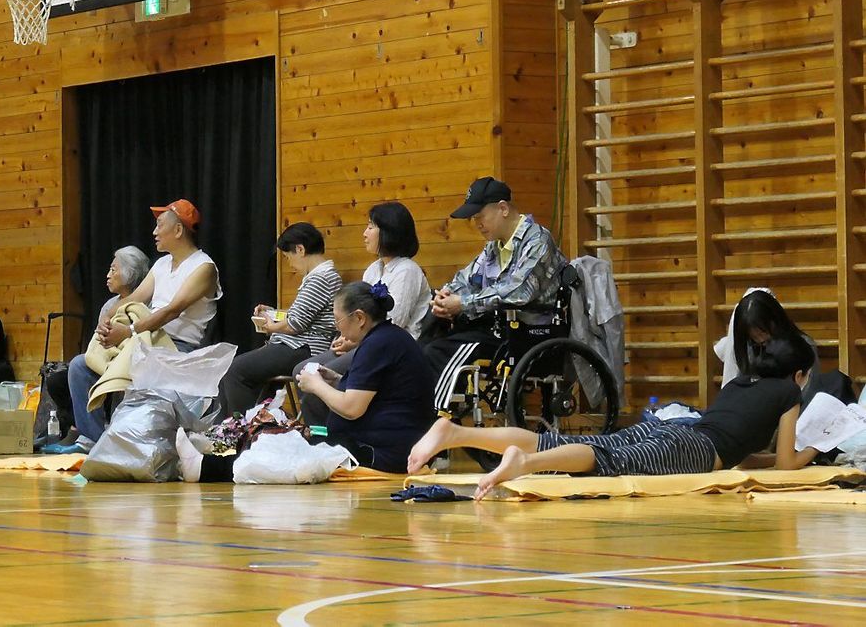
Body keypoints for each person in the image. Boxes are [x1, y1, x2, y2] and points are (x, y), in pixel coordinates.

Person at [408, 336, 819, 500]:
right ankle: (526, 464)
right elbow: (787, 464)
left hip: (676, 430)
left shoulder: (741, 384)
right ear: (799, 375)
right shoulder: (788, 392)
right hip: (693, 448)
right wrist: (814, 451)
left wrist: (762, 459)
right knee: (604, 461)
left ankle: (458, 431)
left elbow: (745, 456)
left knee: (582, 446)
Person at [180, 282, 435, 480]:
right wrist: (335, 379)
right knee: (286, 439)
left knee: (287, 450)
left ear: (359, 318)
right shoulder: (388, 338)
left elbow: (352, 407)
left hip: (380, 452)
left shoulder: (378, 344)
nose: (338, 330)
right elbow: (378, 392)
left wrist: (317, 386)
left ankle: (207, 468)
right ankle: (211, 462)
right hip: (383, 444)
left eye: (339, 322)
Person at [59, 200, 221, 453]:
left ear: (178, 230)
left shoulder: (204, 267)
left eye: (159, 226)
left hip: (176, 348)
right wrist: (107, 319)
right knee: (80, 366)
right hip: (143, 342)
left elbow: (171, 310)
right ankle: (97, 441)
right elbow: (134, 300)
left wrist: (130, 331)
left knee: (138, 365)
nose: (154, 232)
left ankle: (122, 445)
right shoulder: (161, 265)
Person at [423, 176, 567, 412]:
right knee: (428, 339)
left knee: (437, 352)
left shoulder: (538, 241)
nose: (477, 223)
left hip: (527, 333)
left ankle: (432, 418)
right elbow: (467, 279)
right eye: (474, 219)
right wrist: (447, 295)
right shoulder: (494, 246)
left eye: (480, 216)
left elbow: (519, 291)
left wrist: (464, 303)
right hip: (497, 329)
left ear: (502, 208)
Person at [291, 202, 431, 426]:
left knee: (322, 380)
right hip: (365, 344)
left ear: (388, 231)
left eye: (370, 227)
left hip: (390, 350)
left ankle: (333, 435)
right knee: (302, 370)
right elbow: (359, 315)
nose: (364, 233)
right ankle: (322, 431)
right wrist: (346, 337)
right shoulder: (373, 269)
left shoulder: (407, 270)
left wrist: (354, 342)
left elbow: (394, 321)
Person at [219, 222, 341, 417]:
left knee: (235, 370)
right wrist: (274, 313)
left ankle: (239, 430)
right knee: (236, 370)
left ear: (300, 249)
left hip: (302, 348)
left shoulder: (321, 278)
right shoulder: (322, 277)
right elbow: (302, 316)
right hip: (298, 346)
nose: (290, 264)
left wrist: (271, 326)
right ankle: (233, 428)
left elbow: (295, 324)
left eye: (288, 257)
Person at [42, 246, 150, 452]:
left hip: (133, 356)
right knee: (77, 366)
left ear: (130, 274)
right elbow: (98, 342)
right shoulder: (109, 304)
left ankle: (117, 437)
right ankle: (91, 437)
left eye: (113, 270)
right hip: (107, 357)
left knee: (121, 371)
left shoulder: (147, 302)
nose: (108, 275)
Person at [715, 289, 822, 404]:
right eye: (754, 337)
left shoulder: (804, 347)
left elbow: (811, 394)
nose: (760, 339)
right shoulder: (748, 348)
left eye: (763, 332)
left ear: (776, 320)